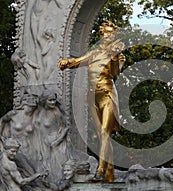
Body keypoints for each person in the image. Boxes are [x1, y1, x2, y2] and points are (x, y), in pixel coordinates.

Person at [58, 21, 125, 182]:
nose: (107, 36)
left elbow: (115, 73)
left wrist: (115, 57)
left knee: (104, 134)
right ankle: (110, 174)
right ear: (101, 35)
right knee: (102, 136)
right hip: (93, 97)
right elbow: (77, 61)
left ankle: (100, 171)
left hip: (107, 94)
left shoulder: (118, 53)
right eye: (105, 33)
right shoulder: (94, 54)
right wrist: (66, 62)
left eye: (111, 33)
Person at [33, 91, 70, 183]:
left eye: (54, 100)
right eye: (50, 100)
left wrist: (58, 141)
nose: (53, 102)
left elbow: (65, 128)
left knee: (59, 166)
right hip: (43, 143)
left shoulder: (56, 111)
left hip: (56, 142)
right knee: (46, 166)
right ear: (45, 101)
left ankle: (60, 184)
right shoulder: (39, 113)